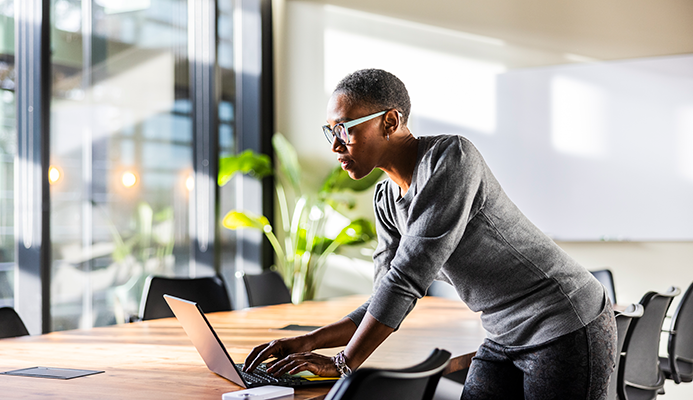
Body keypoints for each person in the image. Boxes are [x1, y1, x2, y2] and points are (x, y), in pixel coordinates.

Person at [244, 68, 617, 399]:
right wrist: (311, 340)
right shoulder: (386, 198)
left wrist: (343, 362)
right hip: (504, 333)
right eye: (331, 131)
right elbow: (385, 294)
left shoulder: (451, 158)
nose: (336, 145)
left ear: (390, 121)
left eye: (346, 129)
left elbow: (408, 277)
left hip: (564, 322)